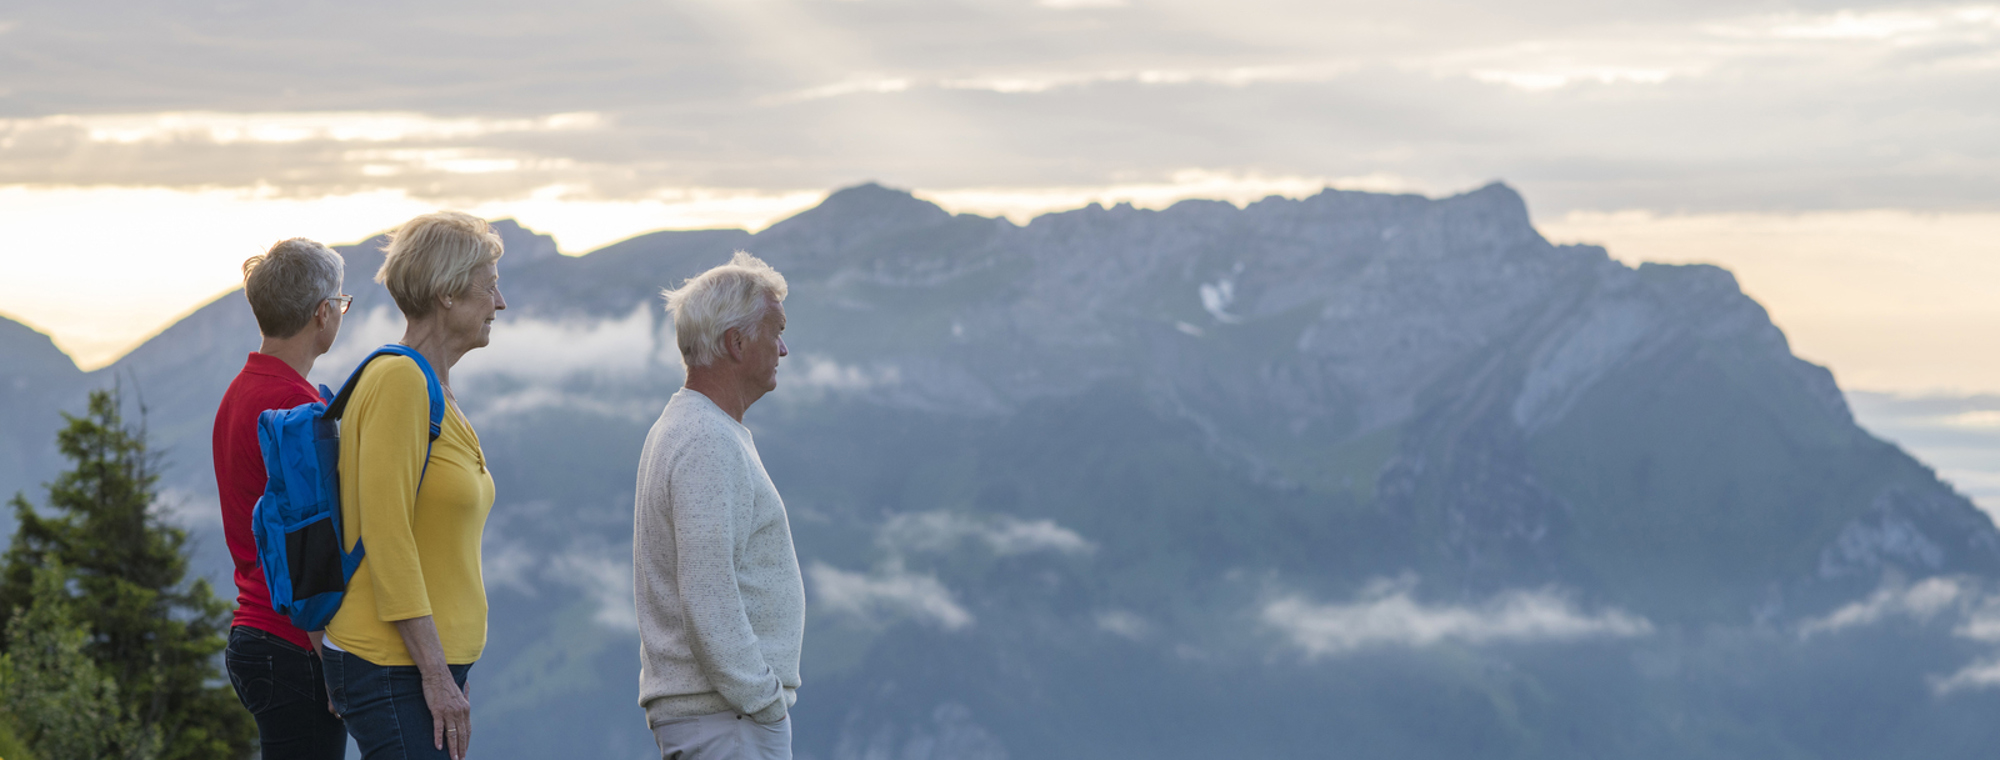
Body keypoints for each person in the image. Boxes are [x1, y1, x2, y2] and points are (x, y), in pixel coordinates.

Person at [322, 211, 504, 760]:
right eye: (490, 287)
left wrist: (450, 666)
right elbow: (388, 535)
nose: (500, 303)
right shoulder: (399, 381)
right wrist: (434, 673)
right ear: (447, 293)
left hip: (421, 665)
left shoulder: (438, 391)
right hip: (390, 665)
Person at [633, 252, 805, 760]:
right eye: (775, 332)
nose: (784, 349)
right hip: (729, 720)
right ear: (736, 343)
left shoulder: (691, 427)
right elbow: (708, 594)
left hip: (718, 717)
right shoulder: (706, 439)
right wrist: (764, 700)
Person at [213, 237, 353, 759]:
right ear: (322, 314)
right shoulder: (294, 408)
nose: (340, 312)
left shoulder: (241, 390)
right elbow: (307, 544)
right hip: (294, 644)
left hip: (255, 630)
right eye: (340, 302)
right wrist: (331, 660)